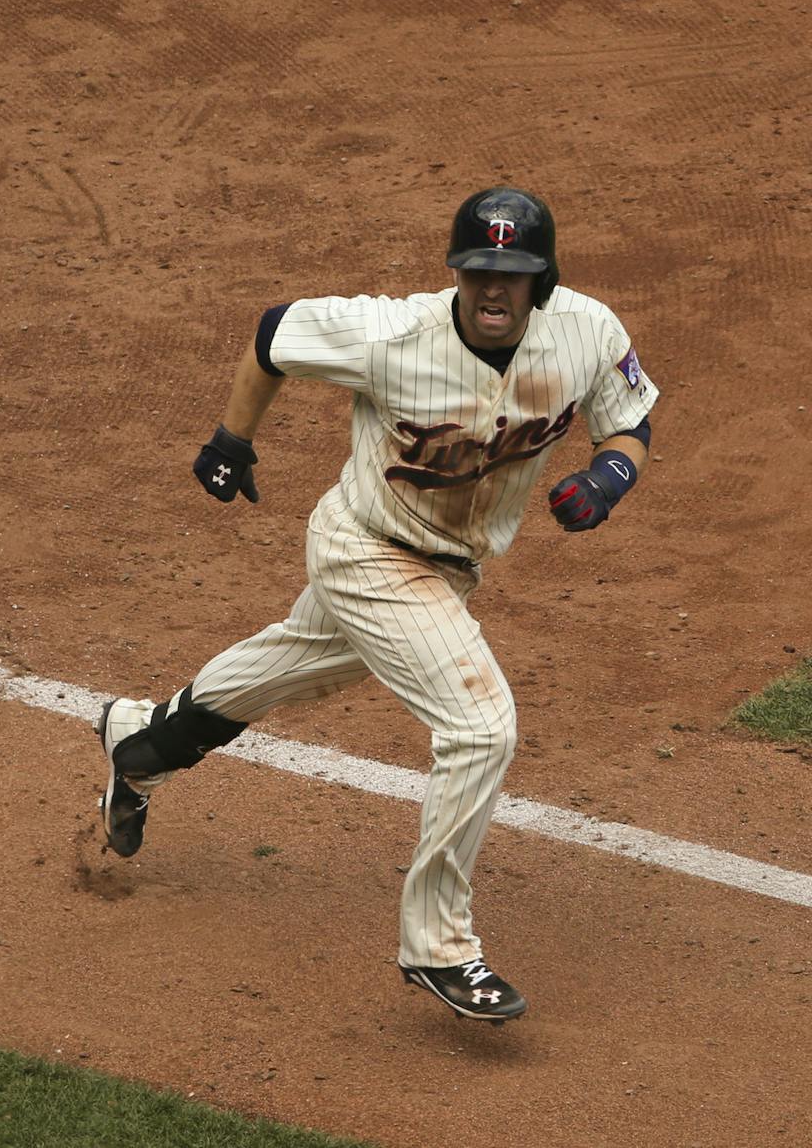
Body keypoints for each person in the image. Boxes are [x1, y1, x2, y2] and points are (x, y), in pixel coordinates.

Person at [95, 187, 657, 1024]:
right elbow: (273, 333)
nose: (493, 289)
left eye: (514, 274)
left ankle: (137, 743)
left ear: (543, 280)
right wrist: (229, 439)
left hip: (448, 565)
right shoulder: (392, 334)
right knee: (481, 725)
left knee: (293, 664)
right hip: (364, 547)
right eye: (477, 270)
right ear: (457, 272)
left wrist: (610, 477)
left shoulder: (587, 331)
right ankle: (439, 947)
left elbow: (631, 420)